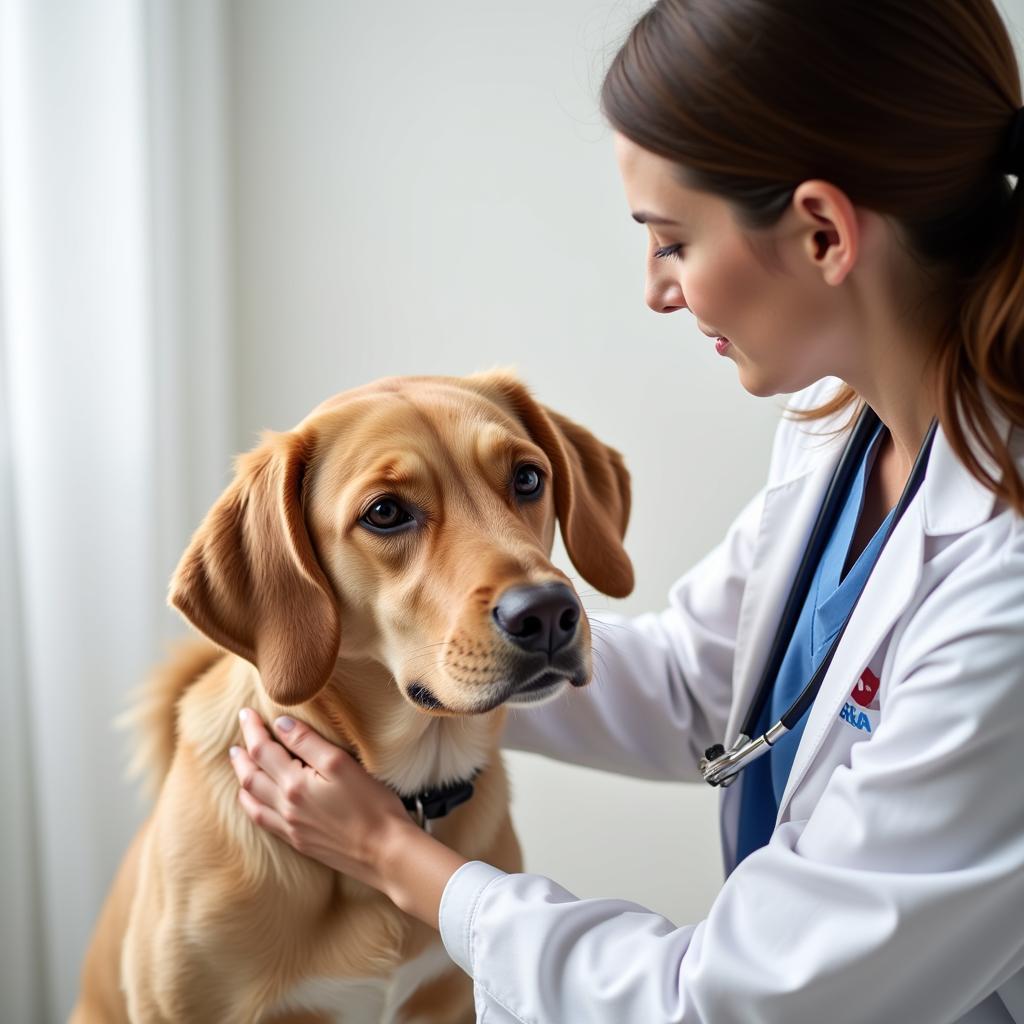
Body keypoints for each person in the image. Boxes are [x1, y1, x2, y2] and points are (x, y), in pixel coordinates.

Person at [228, 1, 1024, 1020]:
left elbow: (729, 1000)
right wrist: (407, 646)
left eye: (671, 240)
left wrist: (396, 855)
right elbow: (700, 680)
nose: (656, 289)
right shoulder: (841, 433)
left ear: (822, 231)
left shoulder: (1000, 588)